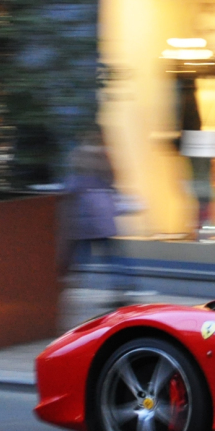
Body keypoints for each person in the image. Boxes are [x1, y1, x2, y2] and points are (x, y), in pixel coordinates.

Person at [65, 130, 127, 306]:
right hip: (103, 216)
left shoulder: (79, 157)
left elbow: (71, 187)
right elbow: (112, 180)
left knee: (80, 257)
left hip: (87, 217)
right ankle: (122, 289)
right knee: (111, 255)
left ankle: (69, 290)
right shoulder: (104, 158)